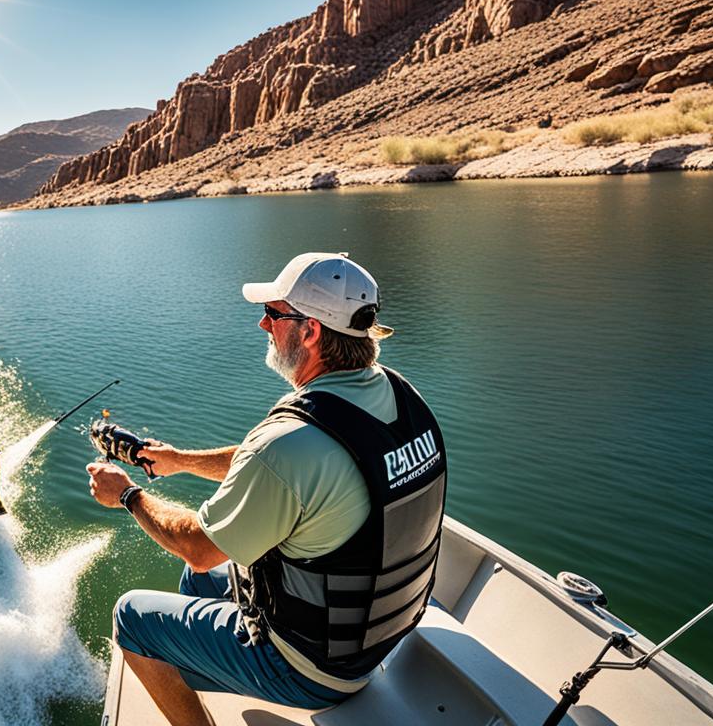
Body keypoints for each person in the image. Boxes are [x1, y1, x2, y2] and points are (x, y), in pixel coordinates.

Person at [85, 252, 447, 725]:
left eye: (275, 314)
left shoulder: (286, 443)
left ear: (311, 331)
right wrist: (177, 462)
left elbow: (198, 548)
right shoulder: (397, 394)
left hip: (315, 669)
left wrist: (128, 494)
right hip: (381, 634)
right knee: (200, 587)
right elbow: (283, 467)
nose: (262, 324)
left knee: (132, 616)